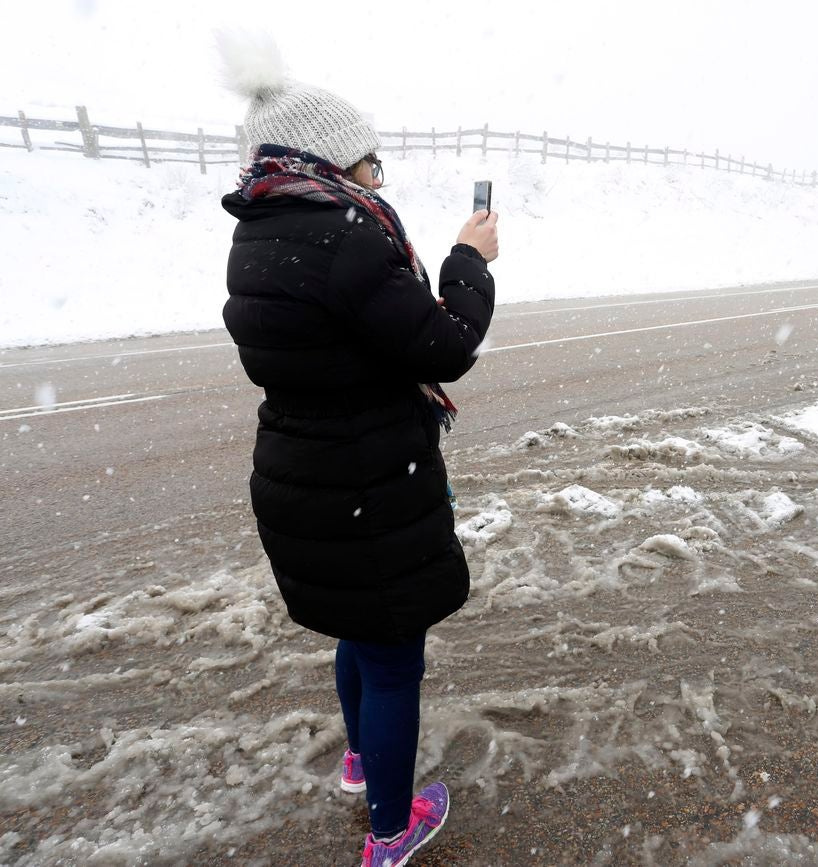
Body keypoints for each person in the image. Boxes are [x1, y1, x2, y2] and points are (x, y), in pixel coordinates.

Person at [217, 34, 497, 866]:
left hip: (305, 473)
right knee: (393, 657)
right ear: (329, 161)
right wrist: (467, 262)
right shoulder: (346, 233)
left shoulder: (261, 228)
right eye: (369, 162)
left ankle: (359, 764)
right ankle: (390, 829)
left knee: (357, 634)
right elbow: (444, 345)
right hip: (367, 481)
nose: (378, 176)